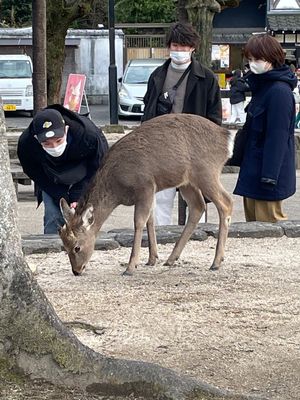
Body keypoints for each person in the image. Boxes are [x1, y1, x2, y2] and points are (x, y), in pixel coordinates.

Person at [142, 22, 222, 225]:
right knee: (161, 198)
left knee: (197, 198)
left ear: (193, 47)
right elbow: (148, 110)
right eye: (175, 46)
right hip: (162, 147)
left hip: (194, 149)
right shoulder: (157, 76)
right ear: (169, 46)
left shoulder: (207, 79)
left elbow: (214, 118)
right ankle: (163, 237)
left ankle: (196, 237)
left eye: (184, 46)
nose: (179, 51)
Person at [233, 34, 297, 222]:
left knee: (270, 227)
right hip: (253, 169)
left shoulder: (278, 91)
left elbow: (277, 137)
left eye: (258, 59)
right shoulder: (262, 86)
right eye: (250, 59)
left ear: (272, 59)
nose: (253, 64)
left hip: (268, 176)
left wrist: (270, 177)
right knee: (253, 226)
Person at [18, 104, 108, 234]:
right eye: (47, 143)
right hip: (50, 176)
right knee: (53, 216)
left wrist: (79, 192)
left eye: (58, 141)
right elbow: (36, 173)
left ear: (66, 130)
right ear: (37, 139)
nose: (54, 146)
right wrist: (60, 195)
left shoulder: (89, 134)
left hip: (85, 174)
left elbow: (99, 166)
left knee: (86, 219)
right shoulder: (26, 145)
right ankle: (51, 247)